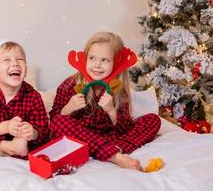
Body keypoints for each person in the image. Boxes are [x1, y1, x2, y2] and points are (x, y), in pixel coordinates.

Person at [49, 32, 161, 171]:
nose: (97, 65)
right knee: (60, 122)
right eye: (92, 58)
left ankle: (103, 149)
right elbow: (53, 121)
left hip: (109, 137)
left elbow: (125, 128)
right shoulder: (70, 84)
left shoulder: (118, 90)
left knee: (153, 120)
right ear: (86, 58)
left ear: (116, 63)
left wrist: (111, 111)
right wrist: (69, 108)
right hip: (80, 136)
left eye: (105, 60)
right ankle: (115, 156)